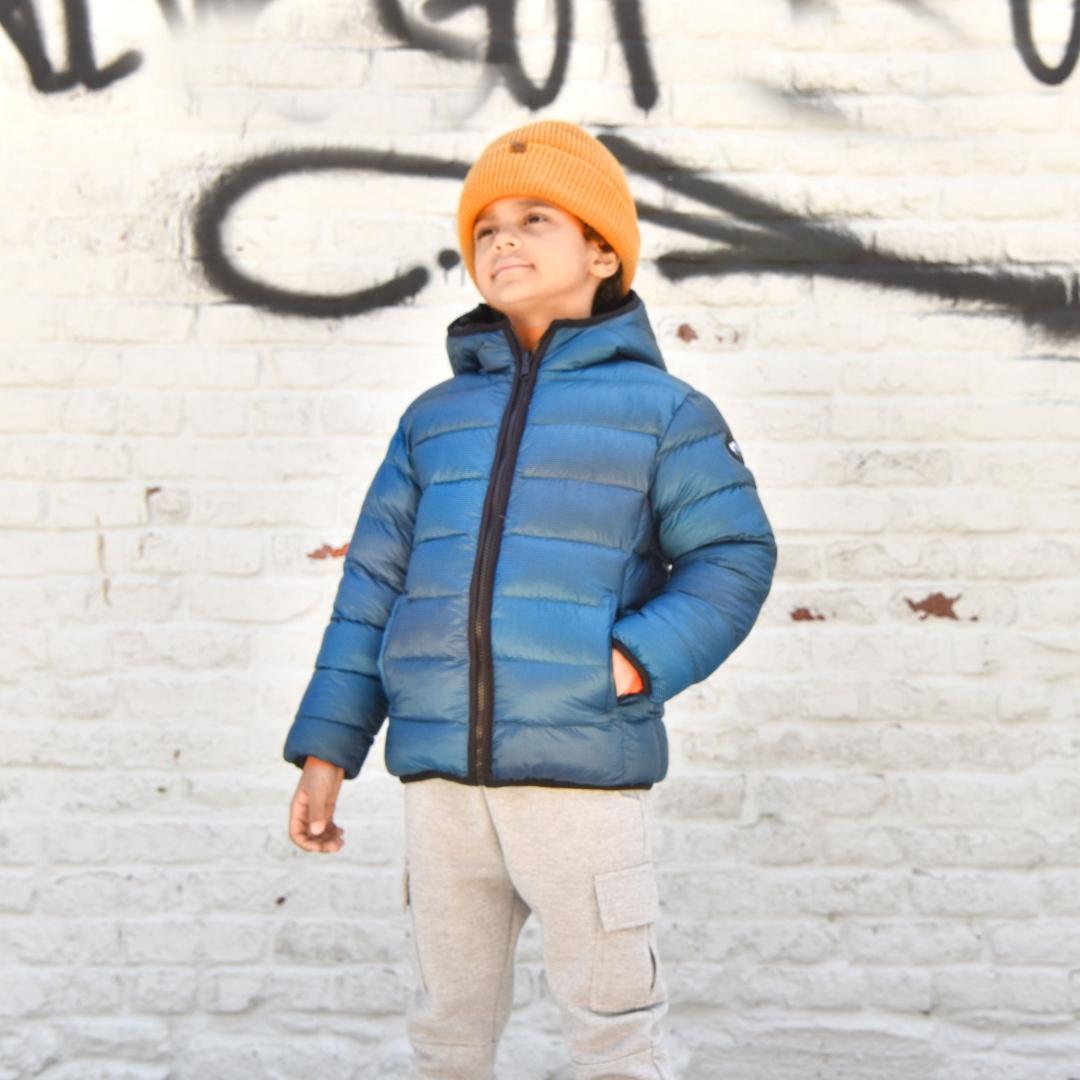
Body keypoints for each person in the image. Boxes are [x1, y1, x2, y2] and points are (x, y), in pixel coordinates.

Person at [283, 118, 777, 1079]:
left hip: (580, 778)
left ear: (602, 251)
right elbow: (373, 587)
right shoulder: (433, 422)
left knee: (612, 1031)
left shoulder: (665, 414)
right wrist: (327, 748)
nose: (502, 240)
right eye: (485, 229)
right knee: (447, 1033)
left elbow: (733, 556)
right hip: (441, 788)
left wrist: (629, 661)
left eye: (534, 219)